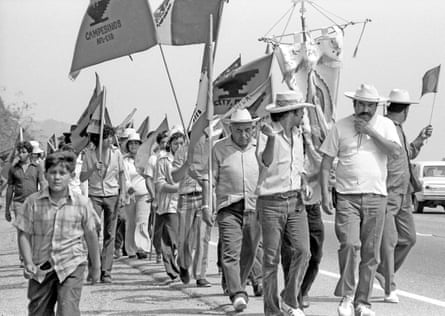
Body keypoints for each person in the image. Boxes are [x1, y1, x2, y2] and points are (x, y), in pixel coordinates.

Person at [319, 84, 401, 316]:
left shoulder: (385, 126)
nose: (365, 109)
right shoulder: (340, 126)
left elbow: (395, 152)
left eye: (370, 105)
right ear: (354, 104)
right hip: (347, 197)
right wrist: (326, 194)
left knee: (371, 252)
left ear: (377, 107)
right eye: (361, 104)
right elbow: (326, 163)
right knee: (349, 244)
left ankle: (362, 302)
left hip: (377, 196)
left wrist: (371, 132)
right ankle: (346, 296)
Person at [13, 151, 100, 315]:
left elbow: (91, 234)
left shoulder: (82, 203)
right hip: (41, 267)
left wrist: (95, 266)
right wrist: (28, 262)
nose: (57, 177)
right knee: (39, 312)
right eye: (52, 173)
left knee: (67, 310)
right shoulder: (33, 202)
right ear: (45, 174)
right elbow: (23, 233)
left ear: (72, 175)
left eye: (62, 173)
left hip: (71, 264)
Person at [256, 91, 313, 316]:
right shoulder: (267, 132)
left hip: (295, 200)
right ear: (291, 113)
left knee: (303, 251)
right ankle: (271, 310)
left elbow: (298, 165)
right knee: (271, 259)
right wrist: (271, 139)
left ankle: (289, 298)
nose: (303, 115)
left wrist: (305, 181)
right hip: (271, 202)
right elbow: (265, 162)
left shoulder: (298, 135)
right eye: (301, 111)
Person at [376, 89, 433, 303]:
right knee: (389, 241)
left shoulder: (398, 128)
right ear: (406, 110)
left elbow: (404, 155)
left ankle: (382, 271)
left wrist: (419, 139)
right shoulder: (385, 127)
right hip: (388, 192)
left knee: (409, 239)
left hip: (404, 194)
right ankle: (390, 287)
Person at [212, 109, 262, 311]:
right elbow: (211, 179)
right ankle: (237, 293)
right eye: (239, 130)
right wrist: (207, 206)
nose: (244, 135)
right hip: (229, 206)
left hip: (254, 206)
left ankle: (238, 285)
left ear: (253, 128)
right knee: (230, 252)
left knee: (250, 251)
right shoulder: (219, 149)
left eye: (247, 130)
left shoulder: (261, 148)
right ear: (230, 128)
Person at [80, 125, 126, 283]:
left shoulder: (117, 153)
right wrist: (92, 168)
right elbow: (81, 177)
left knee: (110, 234)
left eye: (112, 137)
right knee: (93, 233)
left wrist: (123, 194)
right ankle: (94, 270)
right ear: (100, 138)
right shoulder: (89, 154)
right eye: (108, 137)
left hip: (112, 195)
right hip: (95, 196)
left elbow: (121, 174)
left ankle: (106, 272)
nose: (111, 140)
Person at [171, 130, 213, 288]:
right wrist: (187, 165)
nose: (203, 136)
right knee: (185, 240)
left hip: (205, 196)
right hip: (186, 198)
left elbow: (214, 174)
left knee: (203, 238)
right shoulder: (182, 151)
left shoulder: (211, 148)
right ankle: (183, 263)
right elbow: (174, 176)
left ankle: (201, 275)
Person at [298, 127, 324, 309]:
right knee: (297, 254)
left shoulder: (316, 152)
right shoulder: (288, 150)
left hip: (313, 208)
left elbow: (327, 167)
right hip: (294, 207)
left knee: (315, 255)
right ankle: (295, 293)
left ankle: (304, 289)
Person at [155, 131, 185, 280]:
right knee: (171, 240)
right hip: (170, 204)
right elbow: (160, 184)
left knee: (183, 239)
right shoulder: (164, 159)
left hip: (186, 203)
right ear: (170, 145)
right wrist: (178, 188)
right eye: (175, 143)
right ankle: (172, 270)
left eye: (181, 143)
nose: (179, 146)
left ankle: (181, 266)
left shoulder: (188, 158)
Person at [122, 133, 151, 259]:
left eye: (136, 143)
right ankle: (130, 249)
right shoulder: (124, 160)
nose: (133, 145)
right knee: (131, 223)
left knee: (142, 221)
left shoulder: (146, 159)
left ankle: (142, 248)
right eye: (131, 143)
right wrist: (129, 188)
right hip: (130, 194)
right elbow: (124, 177)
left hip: (144, 193)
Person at [5, 141, 46, 223]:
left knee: (33, 230)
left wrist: (43, 203)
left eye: (24, 152)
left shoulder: (37, 167)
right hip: (18, 203)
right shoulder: (13, 169)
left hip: (33, 203)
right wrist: (7, 208)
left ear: (30, 153)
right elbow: (10, 189)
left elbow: (42, 184)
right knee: (21, 231)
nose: (21, 154)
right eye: (19, 152)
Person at [146, 130, 169, 263]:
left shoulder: (174, 157)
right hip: (159, 198)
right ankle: (158, 250)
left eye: (167, 142)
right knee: (157, 228)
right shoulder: (153, 158)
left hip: (172, 198)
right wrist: (154, 196)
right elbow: (148, 179)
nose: (165, 144)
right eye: (163, 142)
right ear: (159, 144)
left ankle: (169, 252)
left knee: (170, 227)